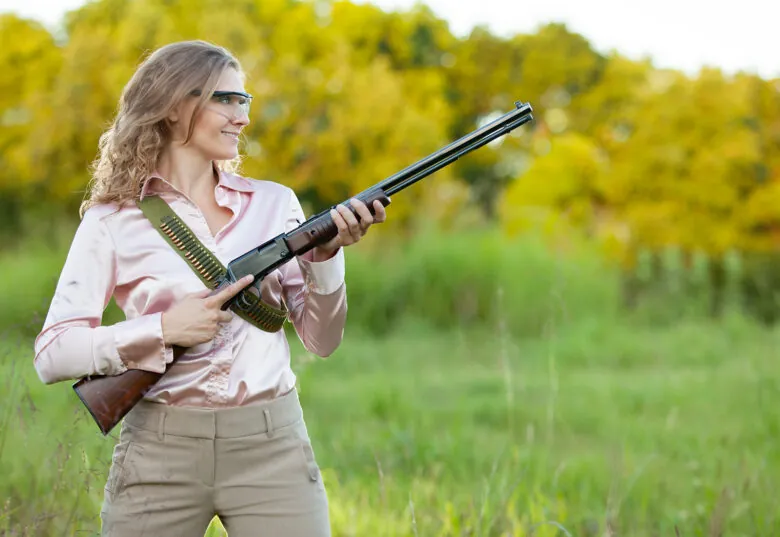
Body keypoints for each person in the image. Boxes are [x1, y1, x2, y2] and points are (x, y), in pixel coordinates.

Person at [32, 40, 387, 537]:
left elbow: (322, 343)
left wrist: (326, 258)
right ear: (175, 107)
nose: (242, 117)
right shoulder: (112, 219)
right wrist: (161, 329)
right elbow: (52, 353)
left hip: (272, 446)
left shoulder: (276, 204)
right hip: (158, 452)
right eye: (227, 99)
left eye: (245, 101)